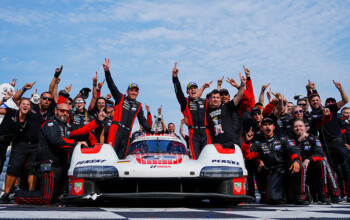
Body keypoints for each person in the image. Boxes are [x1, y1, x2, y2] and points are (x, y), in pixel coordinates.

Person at [13, 103, 106, 204]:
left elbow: (83, 130)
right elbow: (56, 140)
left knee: (55, 198)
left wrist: (98, 120)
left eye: (67, 112)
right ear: (56, 111)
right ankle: (16, 195)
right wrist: (76, 143)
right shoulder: (50, 123)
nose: (65, 113)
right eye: (62, 111)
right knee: (46, 198)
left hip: (60, 165)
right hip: (48, 164)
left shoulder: (66, 126)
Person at [242, 117, 307, 205]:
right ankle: (285, 194)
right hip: (274, 173)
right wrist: (247, 142)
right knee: (273, 200)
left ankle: (301, 195)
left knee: (300, 165)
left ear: (274, 127)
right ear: (261, 128)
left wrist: (296, 161)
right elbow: (248, 156)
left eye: (269, 124)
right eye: (265, 125)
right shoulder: (258, 143)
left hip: (287, 170)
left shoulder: (283, 139)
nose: (267, 127)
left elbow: (294, 150)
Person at [103, 58, 153, 159]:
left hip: (127, 133)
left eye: (135, 91)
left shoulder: (138, 105)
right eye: (131, 90)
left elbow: (142, 120)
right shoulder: (120, 98)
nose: (133, 92)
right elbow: (111, 86)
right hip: (116, 129)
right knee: (111, 156)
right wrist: (107, 72)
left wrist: (151, 131)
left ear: (138, 93)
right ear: (127, 91)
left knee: (122, 157)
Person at [309, 80, 350, 201]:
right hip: (325, 144)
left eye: (317, 100)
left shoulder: (331, 108)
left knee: (346, 169)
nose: (315, 102)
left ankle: (349, 194)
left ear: (321, 101)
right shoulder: (312, 115)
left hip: (338, 142)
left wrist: (340, 89)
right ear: (310, 103)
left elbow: (345, 101)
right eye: (313, 101)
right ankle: (337, 194)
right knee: (331, 170)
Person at [172, 62, 211, 159]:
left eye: (195, 88)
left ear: (197, 90)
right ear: (187, 92)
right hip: (193, 134)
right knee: (196, 158)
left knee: (208, 157)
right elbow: (179, 93)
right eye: (190, 89)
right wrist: (175, 78)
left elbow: (217, 103)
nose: (193, 90)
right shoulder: (185, 102)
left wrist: (217, 86)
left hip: (206, 132)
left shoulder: (205, 101)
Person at [0, 98, 31, 203]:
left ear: (30, 108)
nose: (25, 106)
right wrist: (3, 99)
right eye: (23, 104)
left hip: (4, 146)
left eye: (27, 104)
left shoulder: (27, 121)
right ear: (19, 106)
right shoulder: (11, 112)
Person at [292, 119, 330, 204]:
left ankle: (323, 195)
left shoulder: (313, 137)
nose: (298, 128)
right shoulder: (290, 138)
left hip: (311, 167)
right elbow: (288, 151)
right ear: (293, 129)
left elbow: (320, 153)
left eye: (300, 126)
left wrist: (308, 160)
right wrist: (299, 140)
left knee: (322, 162)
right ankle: (302, 195)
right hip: (296, 168)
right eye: (296, 126)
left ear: (305, 128)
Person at [206, 72, 246, 148]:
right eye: (213, 98)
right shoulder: (207, 112)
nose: (215, 99)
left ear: (220, 99)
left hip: (232, 142)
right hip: (217, 145)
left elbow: (239, 97)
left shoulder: (226, 107)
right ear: (210, 99)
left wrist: (243, 85)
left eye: (218, 98)